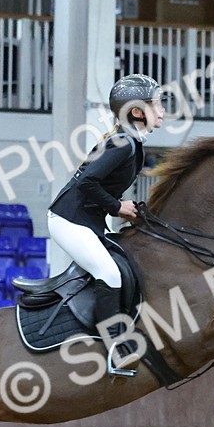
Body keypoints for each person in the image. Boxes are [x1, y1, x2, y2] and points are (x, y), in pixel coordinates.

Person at [46, 73, 167, 376]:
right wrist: (117, 207)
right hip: (68, 221)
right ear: (138, 112)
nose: (162, 111)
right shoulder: (123, 144)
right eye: (157, 105)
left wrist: (127, 210)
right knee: (109, 273)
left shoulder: (132, 143)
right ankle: (113, 350)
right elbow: (87, 183)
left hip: (88, 220)